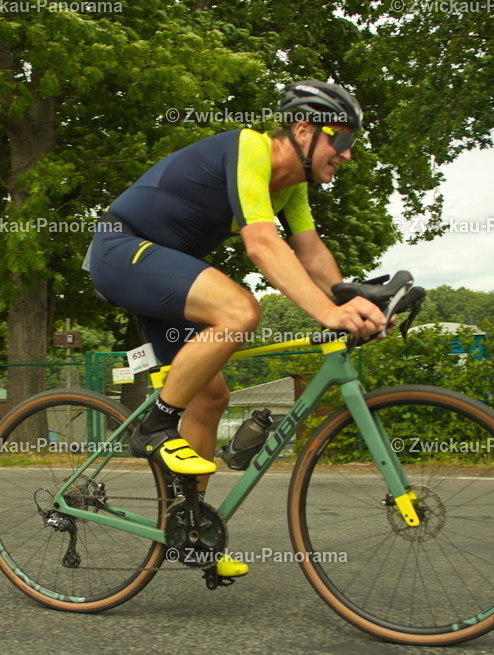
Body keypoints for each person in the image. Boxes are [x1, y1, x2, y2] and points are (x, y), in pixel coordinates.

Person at [86, 81, 387, 577]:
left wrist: (357, 305)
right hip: (122, 250)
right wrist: (327, 314)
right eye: (343, 139)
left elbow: (311, 253)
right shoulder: (249, 147)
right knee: (241, 311)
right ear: (304, 129)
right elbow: (264, 246)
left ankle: (191, 530)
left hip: (164, 271)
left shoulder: (291, 187)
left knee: (209, 398)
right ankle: (155, 426)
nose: (347, 154)